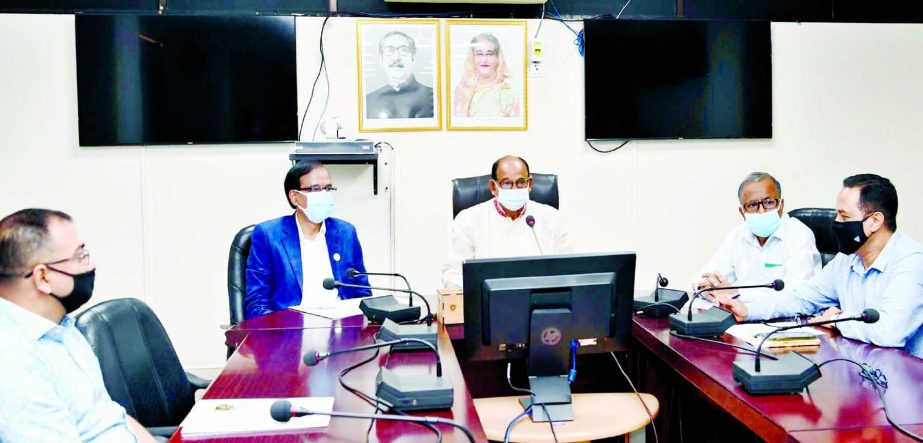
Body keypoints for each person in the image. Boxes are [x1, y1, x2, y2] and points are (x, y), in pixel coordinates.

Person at [717, 174, 923, 358]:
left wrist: (836, 319)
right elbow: (802, 297)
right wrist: (749, 311)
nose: (836, 222)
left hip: (909, 379)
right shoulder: (848, 259)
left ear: (875, 221)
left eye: (844, 216)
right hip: (864, 364)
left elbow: (888, 331)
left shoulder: (912, 261)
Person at [0, 209, 157, 442]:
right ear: (43, 277)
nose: (91, 265)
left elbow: (110, 416)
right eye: (79, 257)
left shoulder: (60, 328)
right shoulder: (14, 363)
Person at [245, 162, 371, 320]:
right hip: (289, 333)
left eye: (328, 188)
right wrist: (279, 336)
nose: (324, 194)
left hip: (342, 331)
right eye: (315, 189)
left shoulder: (346, 232)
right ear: (295, 197)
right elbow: (257, 303)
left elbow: (362, 294)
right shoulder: (268, 235)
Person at [441, 156, 571, 288]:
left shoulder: (552, 218)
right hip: (488, 304)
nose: (515, 189)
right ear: (493, 187)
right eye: (507, 183)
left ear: (530, 184)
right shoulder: (468, 219)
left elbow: (569, 269)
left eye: (521, 182)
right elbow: (454, 273)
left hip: (541, 303)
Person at [695, 172, 821, 302]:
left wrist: (736, 293)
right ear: (742, 212)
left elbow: (795, 292)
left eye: (768, 202)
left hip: (790, 319)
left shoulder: (799, 234)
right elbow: (705, 276)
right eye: (752, 205)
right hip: (741, 315)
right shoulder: (737, 236)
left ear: (781, 205)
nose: (761, 211)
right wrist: (706, 289)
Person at [365, 31, 434, 120]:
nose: (396, 57)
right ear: (381, 60)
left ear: (413, 58)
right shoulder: (368, 101)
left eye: (403, 50)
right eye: (389, 50)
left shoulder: (432, 96)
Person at [452, 33, 521, 119]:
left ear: (498, 58)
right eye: (479, 54)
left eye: (490, 54)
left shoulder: (510, 88)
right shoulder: (462, 89)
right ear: (472, 57)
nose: (484, 59)